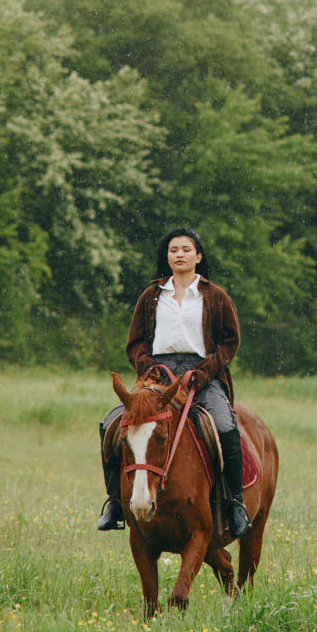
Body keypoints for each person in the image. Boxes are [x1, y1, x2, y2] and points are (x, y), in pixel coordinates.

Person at [96, 227, 249, 538]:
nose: (180, 254)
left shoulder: (215, 296)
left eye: (186, 249)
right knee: (111, 424)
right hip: (156, 375)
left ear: (198, 256)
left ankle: (235, 503)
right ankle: (115, 502)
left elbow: (230, 342)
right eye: (173, 250)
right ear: (167, 257)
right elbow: (135, 343)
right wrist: (149, 368)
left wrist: (203, 373)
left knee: (225, 427)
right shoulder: (151, 296)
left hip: (202, 374)